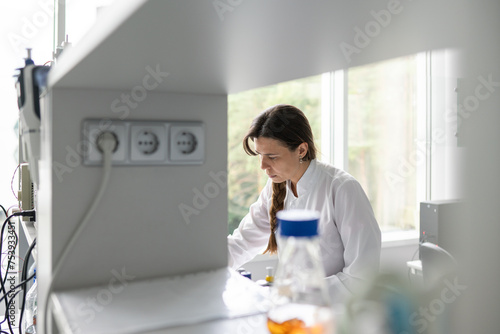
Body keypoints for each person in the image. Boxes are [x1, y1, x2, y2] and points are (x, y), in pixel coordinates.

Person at [227, 104, 381, 302]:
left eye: (272, 157)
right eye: (260, 156)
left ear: (301, 149)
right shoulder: (275, 186)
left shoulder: (342, 188)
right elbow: (242, 242)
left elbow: (361, 278)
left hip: (337, 315)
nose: (263, 166)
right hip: (297, 310)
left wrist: (296, 294)